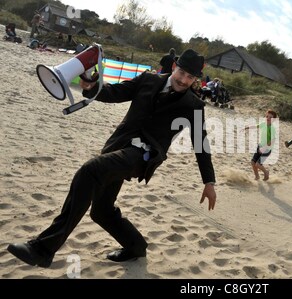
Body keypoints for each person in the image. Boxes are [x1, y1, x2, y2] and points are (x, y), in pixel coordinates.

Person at [7, 49, 217, 268]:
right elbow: (114, 93)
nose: (183, 80)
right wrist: (91, 86)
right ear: (174, 67)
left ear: (195, 79)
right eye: (182, 73)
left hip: (143, 156)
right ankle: (136, 246)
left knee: (90, 170)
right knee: (102, 211)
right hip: (117, 146)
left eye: (190, 77)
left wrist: (208, 182)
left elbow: (201, 144)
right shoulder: (148, 79)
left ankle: (43, 249)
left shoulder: (194, 105)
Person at [244, 110, 278, 181]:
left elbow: (271, 141)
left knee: (258, 164)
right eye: (267, 116)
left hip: (267, 149)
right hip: (260, 146)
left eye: (270, 117)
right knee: (253, 162)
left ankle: (266, 172)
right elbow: (256, 126)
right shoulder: (263, 124)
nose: (268, 118)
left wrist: (264, 148)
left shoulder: (272, 129)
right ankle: (257, 176)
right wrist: (247, 127)